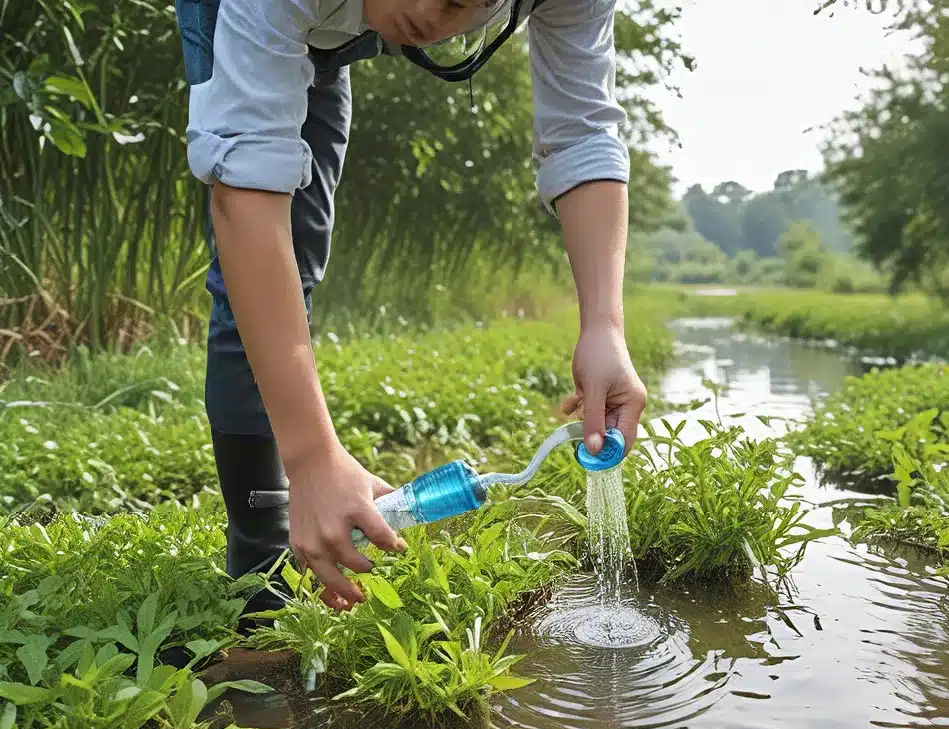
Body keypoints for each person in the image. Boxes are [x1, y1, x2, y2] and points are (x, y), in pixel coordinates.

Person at [173, 0, 648, 623]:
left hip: (330, 25)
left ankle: (308, 527)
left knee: (305, 236)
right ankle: (261, 574)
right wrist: (313, 458)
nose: (436, 14)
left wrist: (605, 328)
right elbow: (246, 201)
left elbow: (584, 132)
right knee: (267, 260)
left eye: (469, 5)